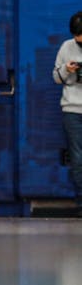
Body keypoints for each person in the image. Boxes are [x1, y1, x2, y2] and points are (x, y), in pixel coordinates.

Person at [52, 11, 82, 214]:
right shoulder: (66, 47)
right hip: (73, 109)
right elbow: (55, 77)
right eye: (77, 38)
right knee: (78, 158)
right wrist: (66, 70)